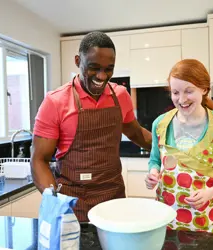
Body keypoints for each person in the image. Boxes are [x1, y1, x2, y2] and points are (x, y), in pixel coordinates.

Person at [31, 31, 152, 222]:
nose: (102, 76)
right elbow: (39, 159)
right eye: (94, 67)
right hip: (72, 201)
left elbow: (136, 134)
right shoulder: (55, 102)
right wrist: (55, 200)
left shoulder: (120, 96)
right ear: (78, 61)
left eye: (108, 69)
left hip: (114, 198)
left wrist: (168, 150)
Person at [145, 59, 213, 233]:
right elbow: (154, 160)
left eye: (189, 91)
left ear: (204, 89)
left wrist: (209, 193)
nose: (181, 99)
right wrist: (152, 173)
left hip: (206, 219)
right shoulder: (160, 124)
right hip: (166, 217)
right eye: (175, 92)